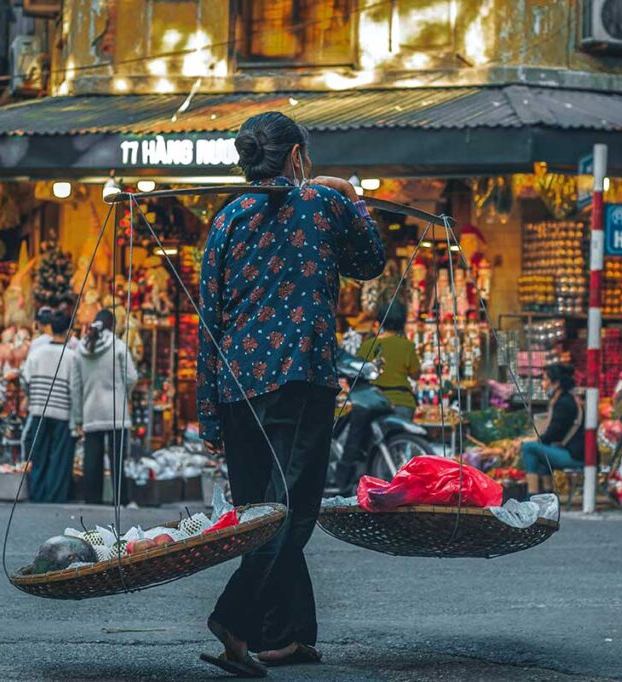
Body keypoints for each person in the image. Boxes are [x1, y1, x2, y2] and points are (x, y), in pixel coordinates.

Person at [197, 111, 385, 676]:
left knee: (259, 511)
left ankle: (288, 635)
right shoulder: (322, 207)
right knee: (290, 514)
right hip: (300, 379)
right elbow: (370, 260)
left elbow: (210, 321)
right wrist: (350, 194)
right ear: (298, 157)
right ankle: (235, 617)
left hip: (236, 389)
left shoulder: (226, 220)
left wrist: (208, 415)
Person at [335, 304, 420, 494]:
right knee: (400, 452)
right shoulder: (406, 345)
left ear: (377, 323)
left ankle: (354, 482)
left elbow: (355, 371)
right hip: (402, 402)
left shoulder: (367, 345)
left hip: (370, 403)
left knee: (362, 444)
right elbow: (415, 374)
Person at [70, 309, 138, 506]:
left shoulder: (80, 349)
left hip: (91, 410)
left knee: (92, 458)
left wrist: (77, 417)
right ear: (112, 325)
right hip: (116, 409)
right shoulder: (118, 345)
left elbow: (76, 386)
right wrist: (125, 394)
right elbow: (132, 377)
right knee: (117, 459)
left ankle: (92, 498)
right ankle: (121, 499)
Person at [20, 310, 77, 503]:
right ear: (69, 331)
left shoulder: (37, 353)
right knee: (59, 456)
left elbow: (25, 380)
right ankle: (55, 495)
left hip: (39, 410)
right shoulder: (71, 357)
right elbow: (75, 388)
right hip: (63, 411)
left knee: (39, 453)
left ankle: (37, 493)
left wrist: (33, 396)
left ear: (50, 328)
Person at [521, 363, 584, 494]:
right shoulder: (565, 399)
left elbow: (553, 434)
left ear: (556, 383)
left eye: (545, 379)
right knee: (541, 453)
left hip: (575, 457)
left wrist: (534, 440)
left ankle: (532, 494)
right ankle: (547, 493)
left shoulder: (564, 403)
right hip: (573, 452)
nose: (543, 384)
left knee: (528, 447)